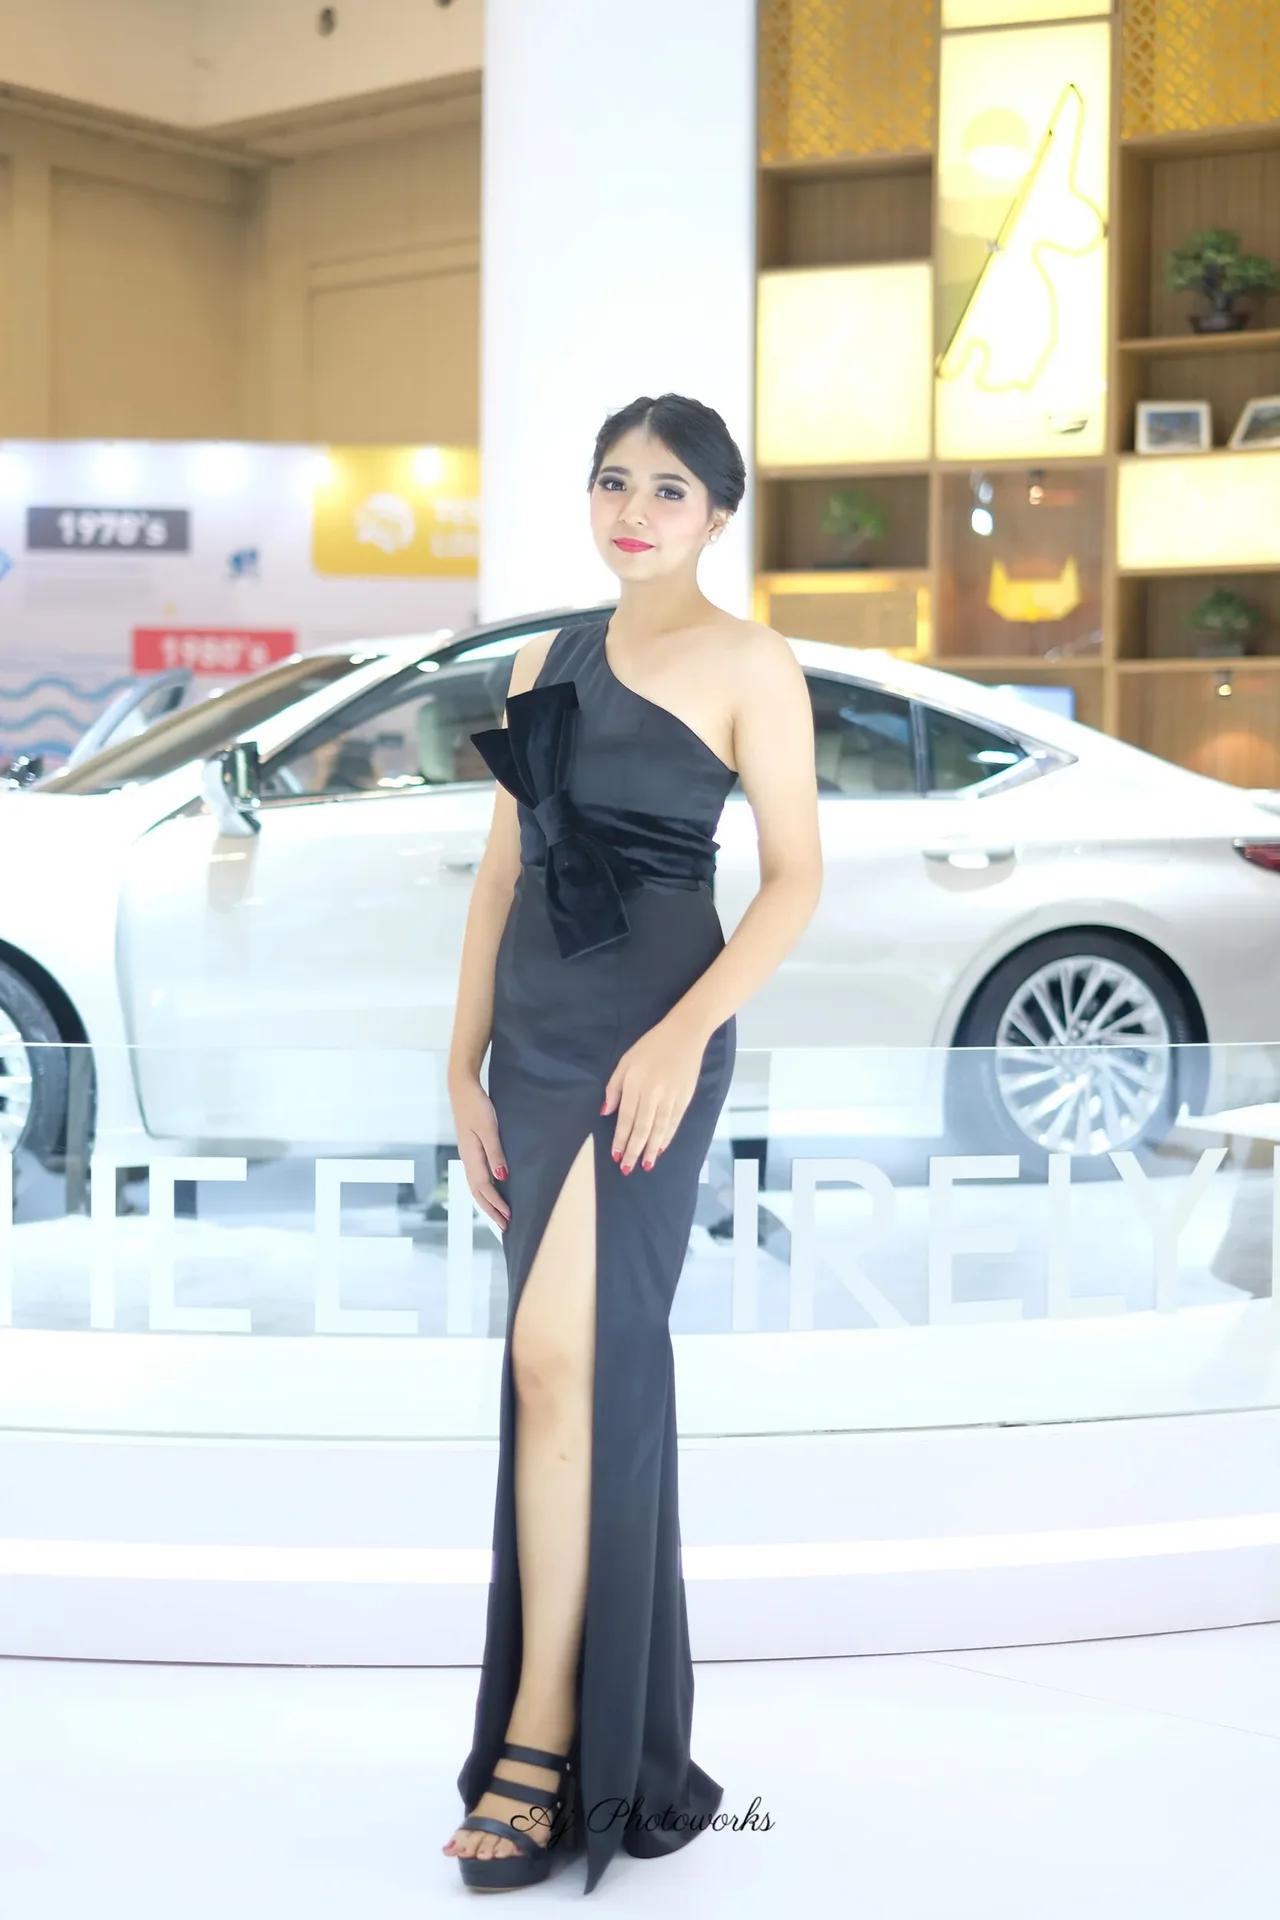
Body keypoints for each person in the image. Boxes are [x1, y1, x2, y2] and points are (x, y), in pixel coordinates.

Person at [443, 392, 822, 1894]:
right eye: (615, 482)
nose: (636, 511)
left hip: (658, 1032)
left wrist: (680, 1035)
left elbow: (793, 881)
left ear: (718, 514)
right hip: (536, 1038)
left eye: (670, 490)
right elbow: (499, 877)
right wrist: (459, 1066)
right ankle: (566, 1729)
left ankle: (547, 1741)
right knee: (553, 1368)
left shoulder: (752, 663)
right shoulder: (543, 660)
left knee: (569, 1358)